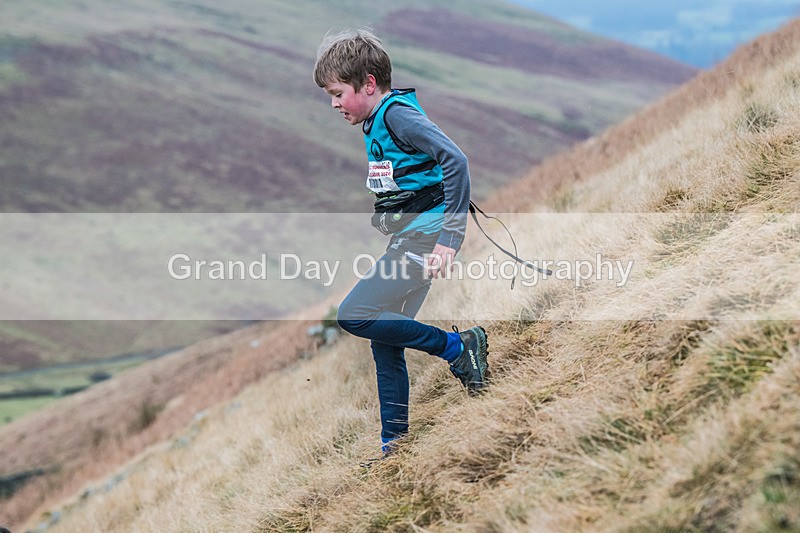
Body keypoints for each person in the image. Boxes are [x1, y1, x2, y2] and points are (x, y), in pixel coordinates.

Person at [313, 29, 489, 457]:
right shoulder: (377, 119)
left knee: (354, 315)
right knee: (385, 339)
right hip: (410, 238)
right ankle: (395, 445)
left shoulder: (396, 114)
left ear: (368, 83)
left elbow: (456, 159)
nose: (334, 103)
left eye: (338, 93)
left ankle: (458, 346)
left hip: (427, 237)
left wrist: (450, 237)